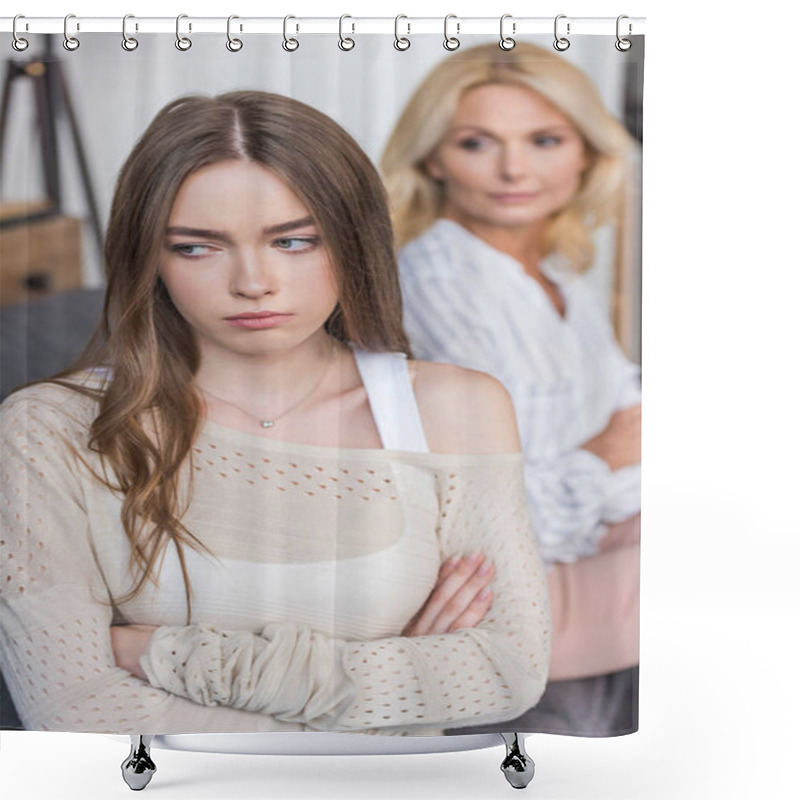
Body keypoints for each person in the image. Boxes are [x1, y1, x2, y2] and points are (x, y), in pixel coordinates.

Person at [0, 91, 550, 736]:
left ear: (352, 242)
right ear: (149, 256)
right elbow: (71, 710)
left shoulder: (455, 408)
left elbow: (505, 672)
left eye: (293, 241)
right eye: (197, 248)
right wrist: (391, 691)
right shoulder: (50, 429)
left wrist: (158, 654)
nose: (253, 281)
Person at [381, 42, 641, 721]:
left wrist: (613, 457)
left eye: (545, 139)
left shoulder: (558, 274)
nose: (514, 168)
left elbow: (634, 411)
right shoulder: (439, 286)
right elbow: (508, 524)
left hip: (585, 595)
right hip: (499, 625)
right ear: (434, 157)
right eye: (477, 143)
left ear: (585, 151)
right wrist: (609, 457)